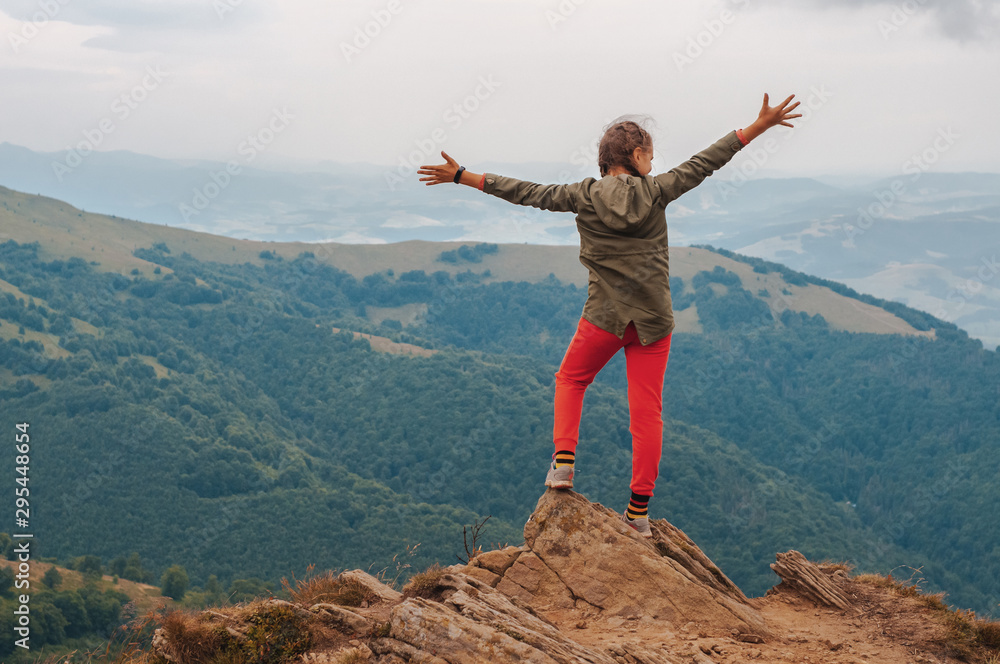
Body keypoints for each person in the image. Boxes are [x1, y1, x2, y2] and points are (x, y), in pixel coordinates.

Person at [417, 94, 802, 538]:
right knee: (646, 413)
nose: (654, 167)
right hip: (654, 325)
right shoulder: (657, 192)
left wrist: (463, 176)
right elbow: (707, 161)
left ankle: (563, 465)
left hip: (603, 318)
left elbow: (526, 193)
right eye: (651, 158)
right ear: (636, 156)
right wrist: (758, 127)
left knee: (571, 380)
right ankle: (637, 514)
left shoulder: (582, 195)